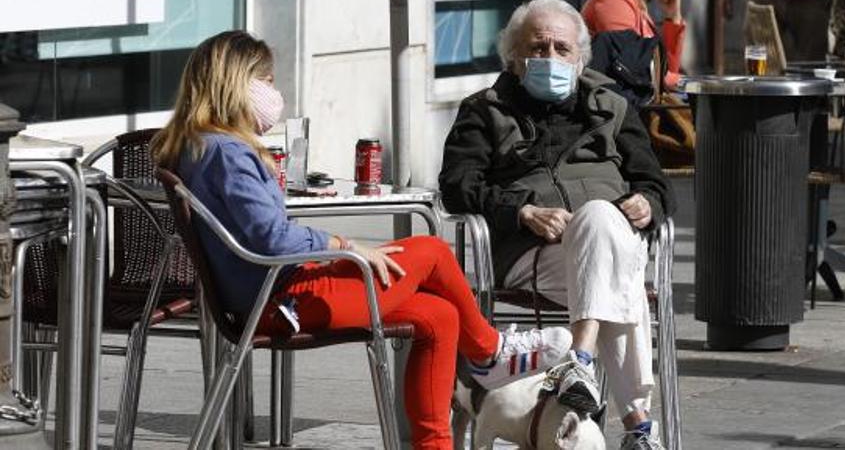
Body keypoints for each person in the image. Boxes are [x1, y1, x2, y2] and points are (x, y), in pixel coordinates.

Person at [151, 30, 571, 450]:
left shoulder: (199, 147)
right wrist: (347, 246)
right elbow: (271, 237)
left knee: (440, 315)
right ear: (237, 82)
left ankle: (437, 441)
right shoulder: (228, 153)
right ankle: (488, 351)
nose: (274, 92)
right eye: (268, 80)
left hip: (269, 294)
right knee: (431, 250)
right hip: (284, 299)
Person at [439, 0, 675, 450]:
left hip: (607, 242)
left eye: (561, 49)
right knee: (616, 274)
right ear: (514, 57)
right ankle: (638, 425)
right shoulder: (484, 110)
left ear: (580, 57)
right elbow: (456, 186)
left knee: (600, 217)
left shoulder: (611, 104)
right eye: (538, 47)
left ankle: (579, 362)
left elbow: (657, 183)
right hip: (532, 253)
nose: (550, 58)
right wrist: (521, 210)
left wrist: (648, 203)